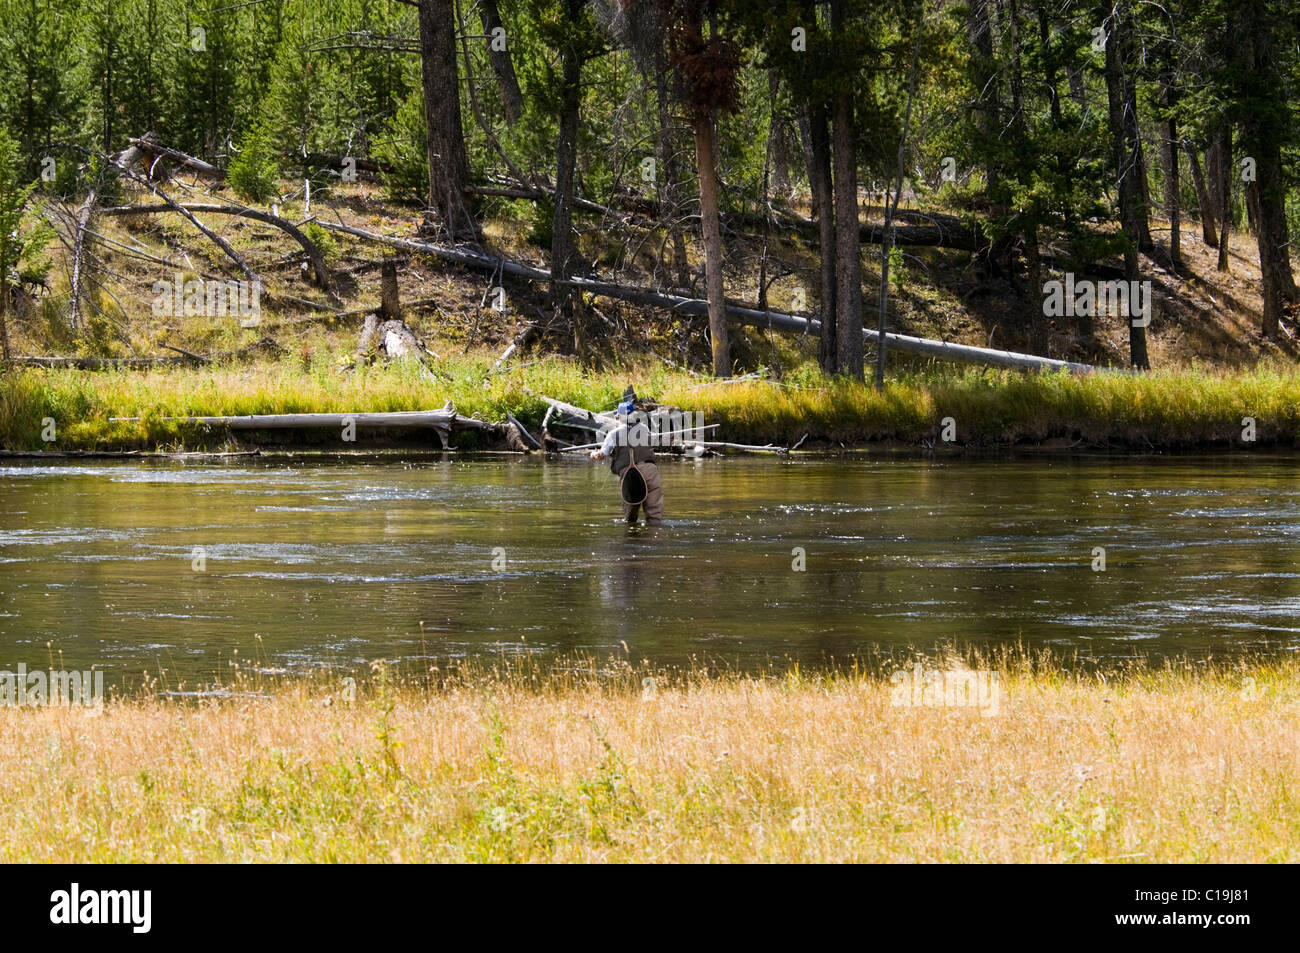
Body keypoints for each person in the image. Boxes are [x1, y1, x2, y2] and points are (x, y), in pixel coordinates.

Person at [589, 400, 663, 523]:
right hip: (651, 471)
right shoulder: (644, 428)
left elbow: (602, 455)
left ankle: (632, 538)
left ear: (618, 416)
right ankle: (654, 537)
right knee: (655, 516)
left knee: (630, 517)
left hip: (630, 474)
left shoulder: (614, 434)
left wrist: (593, 454)